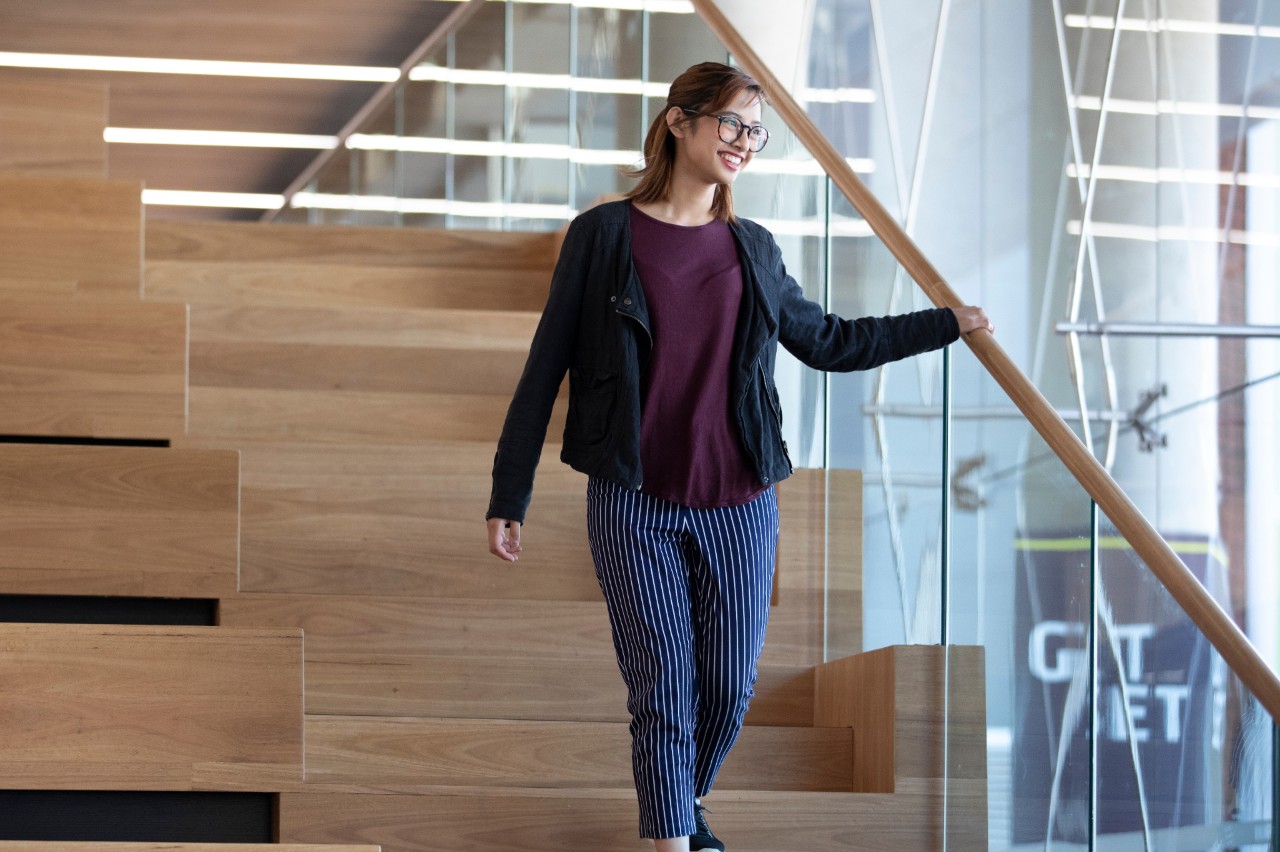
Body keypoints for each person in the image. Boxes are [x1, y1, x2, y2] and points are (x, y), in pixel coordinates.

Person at [485, 61, 993, 852]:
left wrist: (944, 325)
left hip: (741, 498)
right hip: (635, 501)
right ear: (678, 121)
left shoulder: (753, 247)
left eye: (754, 131)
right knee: (663, 690)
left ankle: (679, 809)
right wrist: (506, 494)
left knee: (727, 687)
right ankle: (672, 839)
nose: (745, 143)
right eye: (731, 123)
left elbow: (826, 341)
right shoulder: (604, 235)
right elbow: (545, 362)